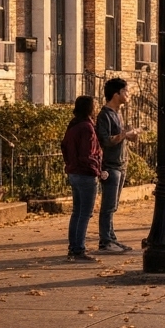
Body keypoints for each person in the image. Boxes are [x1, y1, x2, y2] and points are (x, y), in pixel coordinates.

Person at [95, 77, 140, 253]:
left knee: (113, 205)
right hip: (110, 165)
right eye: (126, 91)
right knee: (108, 205)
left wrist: (130, 135)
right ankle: (105, 241)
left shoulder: (119, 113)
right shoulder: (105, 115)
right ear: (116, 94)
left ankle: (111, 237)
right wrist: (124, 134)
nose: (128, 94)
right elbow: (105, 140)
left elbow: (120, 137)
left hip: (121, 163)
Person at [61, 95, 105, 262]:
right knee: (85, 213)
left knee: (77, 212)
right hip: (85, 174)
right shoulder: (86, 127)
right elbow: (88, 154)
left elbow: (65, 147)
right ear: (89, 108)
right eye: (95, 105)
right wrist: (98, 170)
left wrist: (70, 164)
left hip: (74, 172)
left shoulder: (74, 125)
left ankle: (74, 247)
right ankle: (78, 249)